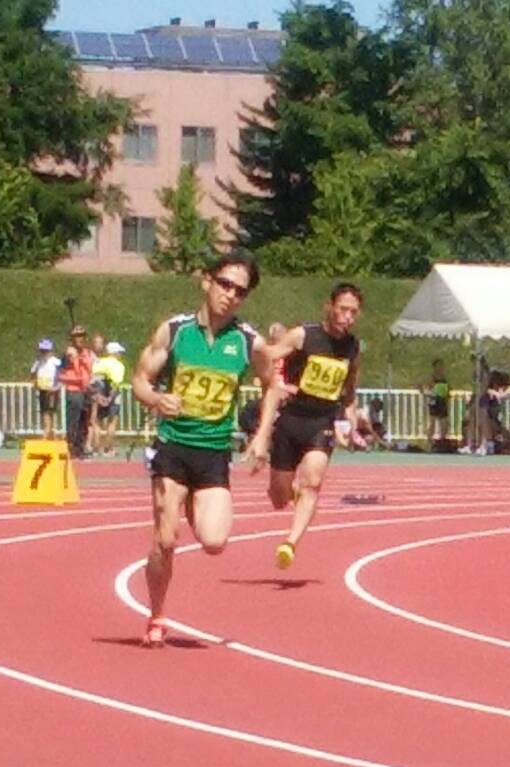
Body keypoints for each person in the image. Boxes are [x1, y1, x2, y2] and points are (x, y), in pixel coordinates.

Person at [130, 248, 265, 647]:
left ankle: (192, 502)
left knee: (214, 542)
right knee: (165, 539)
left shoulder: (247, 342)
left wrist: (262, 435)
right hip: (173, 446)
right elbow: (139, 380)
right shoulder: (175, 332)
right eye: (225, 284)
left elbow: (273, 383)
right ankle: (156, 615)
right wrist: (157, 399)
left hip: (213, 453)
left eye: (240, 291)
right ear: (206, 281)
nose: (231, 295)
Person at [249, 282, 367, 571]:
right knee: (279, 497)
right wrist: (274, 382)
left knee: (312, 482)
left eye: (353, 312)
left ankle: (289, 544)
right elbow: (268, 356)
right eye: (343, 310)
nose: (348, 317)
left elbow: (350, 388)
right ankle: (292, 495)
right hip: (290, 420)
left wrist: (351, 418)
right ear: (329, 307)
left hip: (321, 422)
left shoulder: (352, 347)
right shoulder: (303, 336)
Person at [61, 325, 95, 457]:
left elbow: (90, 368)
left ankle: (80, 446)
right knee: (73, 420)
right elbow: (63, 365)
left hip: (86, 390)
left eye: (81, 336)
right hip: (74, 390)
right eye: (76, 336)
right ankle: (71, 446)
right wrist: (70, 356)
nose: (80, 339)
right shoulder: (69, 352)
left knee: (84, 420)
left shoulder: (87, 353)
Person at [90, 341, 127, 458]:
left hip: (98, 393)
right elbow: (116, 383)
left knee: (97, 421)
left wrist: (97, 395)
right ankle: (108, 449)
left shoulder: (99, 362)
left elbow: (92, 379)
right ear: (115, 353)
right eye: (119, 352)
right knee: (112, 421)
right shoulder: (119, 366)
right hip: (113, 395)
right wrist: (110, 397)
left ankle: (96, 448)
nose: (120, 355)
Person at [29, 339, 61, 439]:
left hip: (52, 390)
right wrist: (35, 383)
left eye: (46, 351)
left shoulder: (56, 362)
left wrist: (57, 387)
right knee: (44, 412)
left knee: (48, 412)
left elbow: (62, 376)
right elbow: (32, 373)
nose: (44, 353)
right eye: (42, 351)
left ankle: (46, 433)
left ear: (50, 351)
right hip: (42, 390)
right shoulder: (38, 362)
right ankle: (51, 433)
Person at [422, 359, 451, 451]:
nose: (440, 368)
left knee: (444, 423)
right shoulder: (431, 377)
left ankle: (442, 441)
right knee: (432, 423)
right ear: (434, 367)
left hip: (443, 401)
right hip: (434, 401)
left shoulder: (444, 377)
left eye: (441, 366)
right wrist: (429, 394)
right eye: (438, 366)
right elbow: (426, 389)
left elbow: (447, 390)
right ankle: (429, 442)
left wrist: (447, 397)